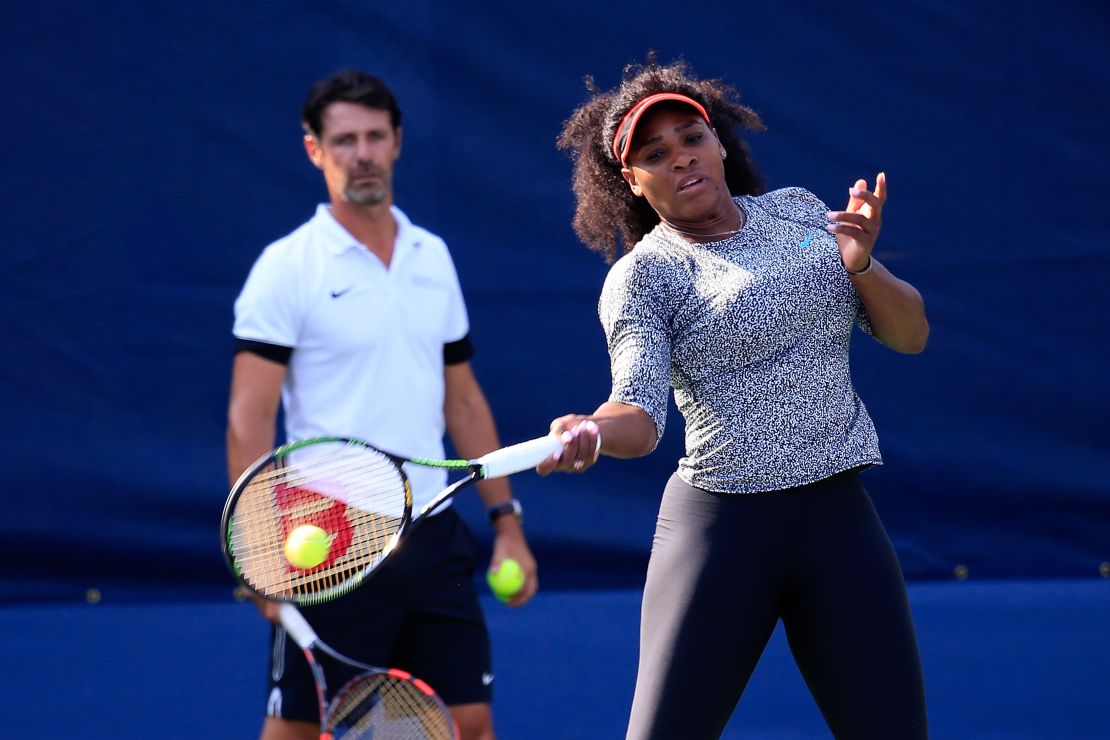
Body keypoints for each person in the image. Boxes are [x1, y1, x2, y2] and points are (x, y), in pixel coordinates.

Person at [537, 57, 931, 739]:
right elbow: (637, 411)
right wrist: (594, 433)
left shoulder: (803, 214)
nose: (681, 159)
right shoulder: (645, 276)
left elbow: (910, 334)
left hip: (839, 522)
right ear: (630, 181)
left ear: (718, 140)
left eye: (691, 137)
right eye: (655, 154)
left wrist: (860, 264)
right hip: (721, 535)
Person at [226, 69, 535, 740]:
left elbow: (463, 397)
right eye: (344, 140)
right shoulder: (286, 268)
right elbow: (247, 417)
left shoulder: (434, 257)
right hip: (326, 538)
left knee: (469, 723)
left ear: (396, 143)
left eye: (374, 136)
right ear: (315, 150)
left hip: (431, 525)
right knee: (299, 733)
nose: (361, 152)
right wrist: (259, 550)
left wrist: (504, 519)